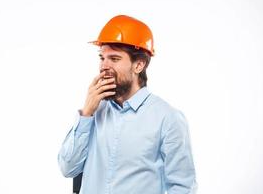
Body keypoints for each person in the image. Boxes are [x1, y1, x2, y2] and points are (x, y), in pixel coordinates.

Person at [58, 15, 197, 194]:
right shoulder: (93, 112)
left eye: (114, 59)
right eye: (102, 57)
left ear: (139, 65)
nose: (103, 66)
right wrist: (86, 113)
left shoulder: (168, 118)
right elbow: (67, 168)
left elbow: (182, 188)